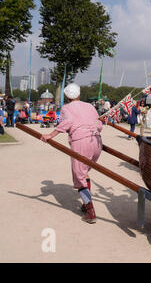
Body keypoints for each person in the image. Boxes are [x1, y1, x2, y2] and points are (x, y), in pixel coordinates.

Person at [40, 83, 103, 224]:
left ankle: (90, 211)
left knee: (79, 176)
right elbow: (99, 125)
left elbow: (67, 122)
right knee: (84, 172)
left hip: (81, 142)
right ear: (79, 95)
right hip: (97, 141)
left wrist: (51, 134)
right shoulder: (90, 106)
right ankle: (85, 203)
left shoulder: (66, 108)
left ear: (67, 97)